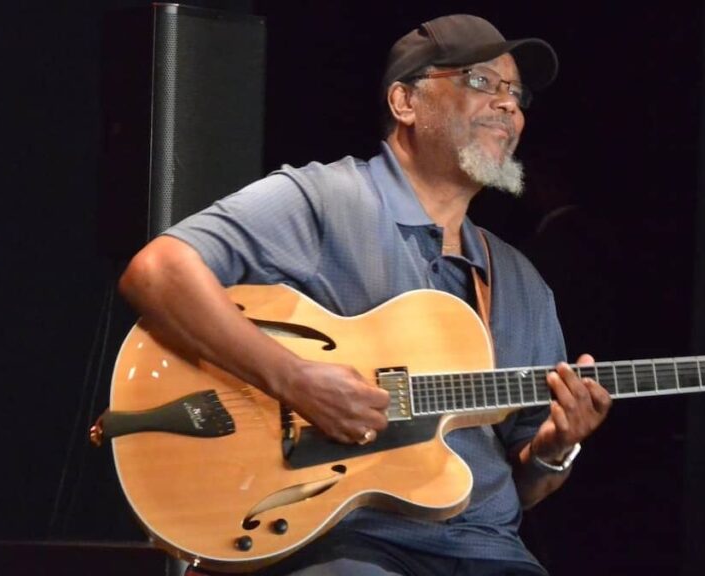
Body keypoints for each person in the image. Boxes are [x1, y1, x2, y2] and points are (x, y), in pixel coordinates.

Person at [119, 13, 611, 576]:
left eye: (517, 94)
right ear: (405, 102)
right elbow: (157, 271)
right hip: (339, 538)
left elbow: (527, 485)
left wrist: (555, 447)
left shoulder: (520, 282)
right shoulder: (324, 199)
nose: (509, 107)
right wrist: (295, 380)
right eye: (481, 83)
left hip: (484, 548)